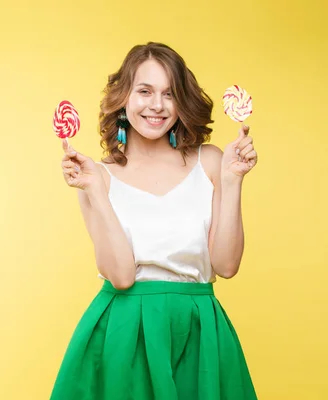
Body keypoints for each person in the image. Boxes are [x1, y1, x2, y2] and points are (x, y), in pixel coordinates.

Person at [51, 42, 258, 400]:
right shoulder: (96, 176)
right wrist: (95, 190)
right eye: (144, 91)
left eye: (169, 93)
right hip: (124, 332)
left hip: (199, 330)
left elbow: (226, 265)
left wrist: (232, 179)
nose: (157, 105)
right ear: (123, 98)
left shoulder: (210, 162)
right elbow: (121, 276)